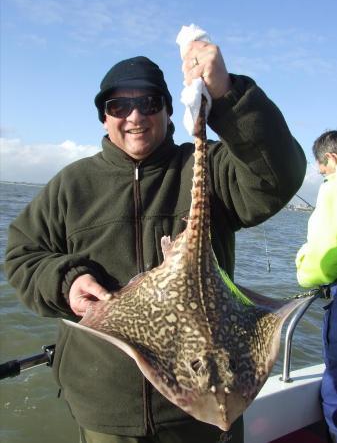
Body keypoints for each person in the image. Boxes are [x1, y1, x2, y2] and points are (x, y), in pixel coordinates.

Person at [5, 41, 306, 443]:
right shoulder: (70, 185)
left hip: (196, 427)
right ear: (103, 117)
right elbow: (22, 255)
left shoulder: (214, 168)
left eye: (149, 103)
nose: (135, 116)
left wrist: (226, 94)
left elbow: (277, 176)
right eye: (118, 106)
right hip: (107, 410)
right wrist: (66, 281)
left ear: (168, 111)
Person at [296, 130, 337, 443]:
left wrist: (302, 267)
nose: (322, 174)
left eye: (322, 169)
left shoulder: (332, 189)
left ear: (332, 159)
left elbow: (322, 260)